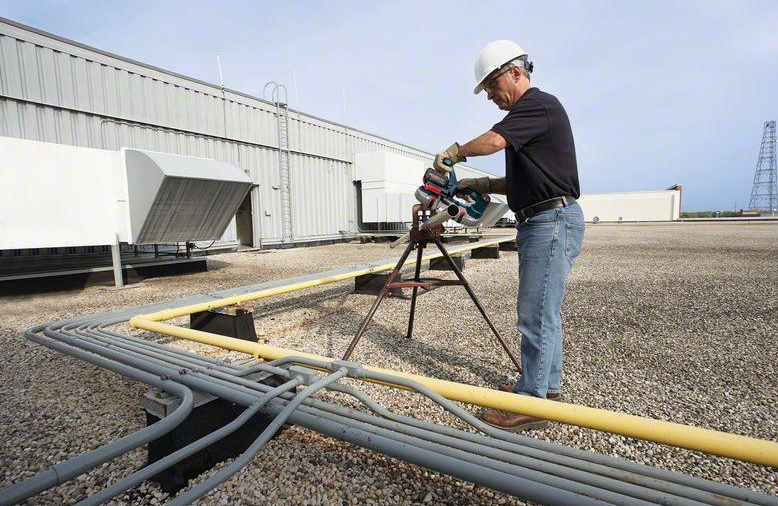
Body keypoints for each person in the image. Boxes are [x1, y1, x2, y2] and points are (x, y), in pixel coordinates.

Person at [433, 40, 584, 432]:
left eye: (491, 85)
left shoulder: (536, 105)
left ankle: (532, 402)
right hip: (547, 217)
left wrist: (455, 153)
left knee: (535, 313)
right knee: (544, 311)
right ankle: (545, 389)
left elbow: (493, 140)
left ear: (515, 72)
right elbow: (526, 179)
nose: (489, 95)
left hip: (550, 220)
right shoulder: (532, 118)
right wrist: (481, 183)